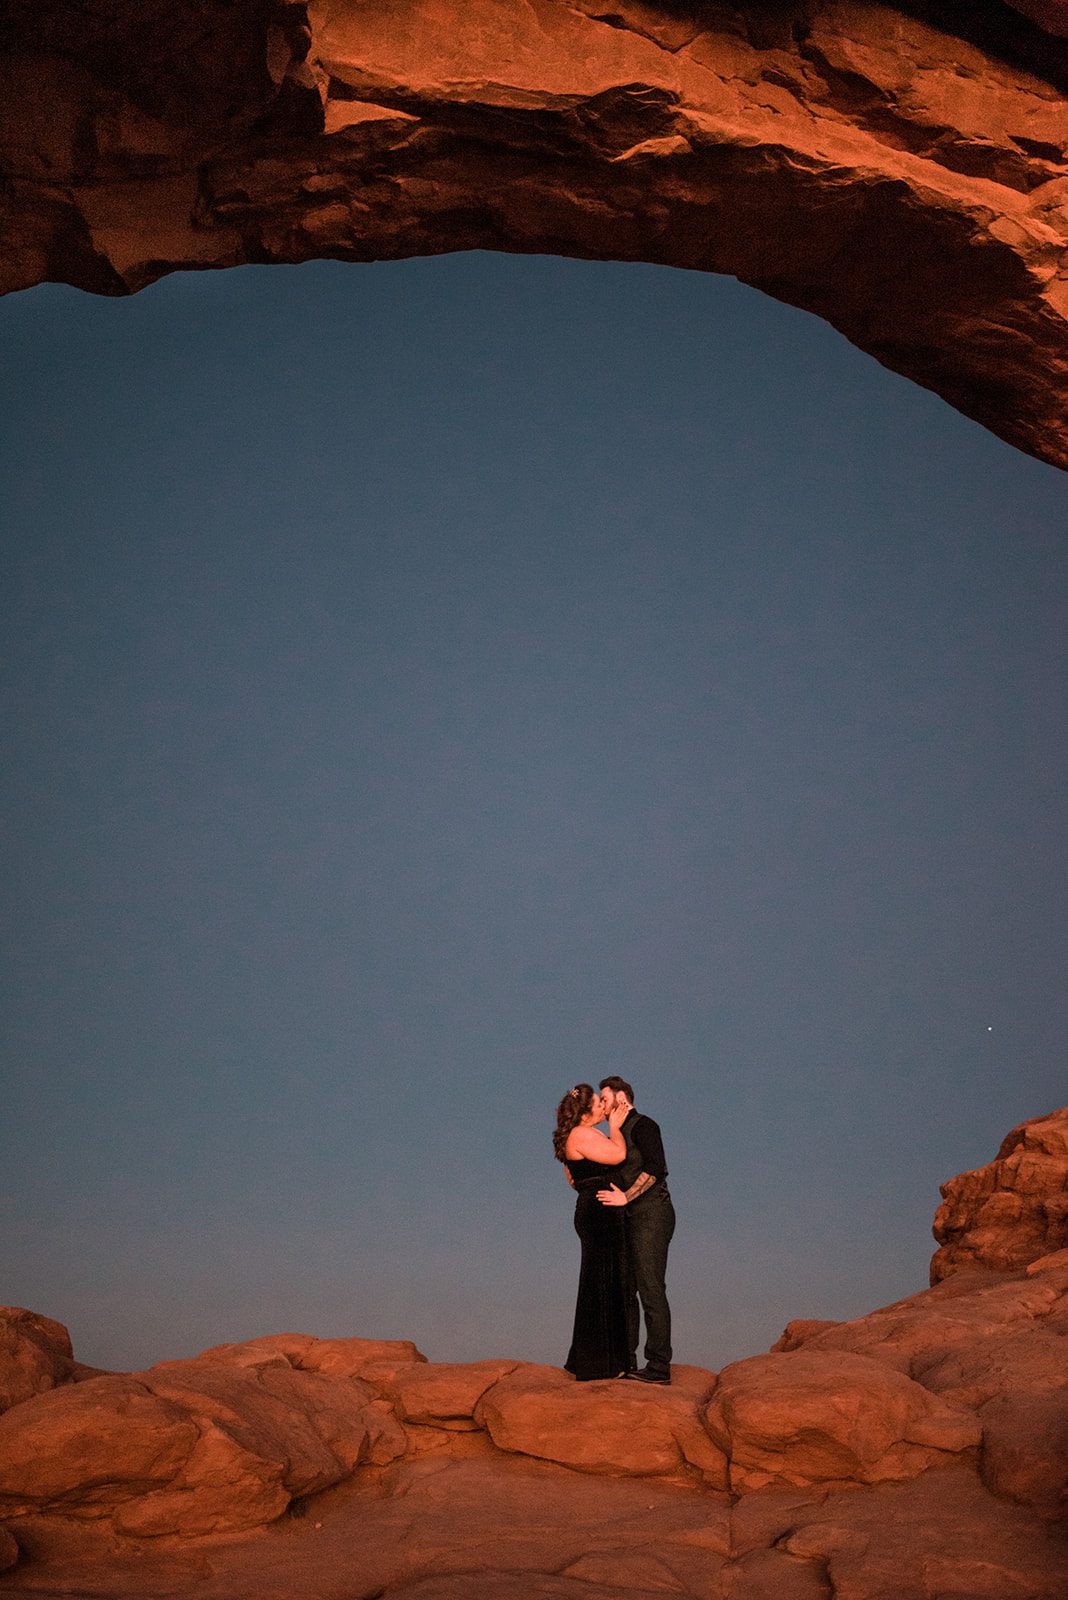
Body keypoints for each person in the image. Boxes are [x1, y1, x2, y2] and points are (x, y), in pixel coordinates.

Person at [596, 1076, 675, 1384]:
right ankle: (625, 1360)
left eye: (605, 1097)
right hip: (627, 1219)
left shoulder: (645, 1126)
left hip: (652, 1215)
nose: (602, 1104)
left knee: (650, 1288)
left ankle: (658, 1366)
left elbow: (655, 1168)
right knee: (625, 1290)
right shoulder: (614, 1135)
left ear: (622, 1097)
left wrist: (625, 1197)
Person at [553, 1083, 632, 1380]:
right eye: (599, 1102)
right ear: (585, 1112)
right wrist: (616, 1127)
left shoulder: (580, 1135)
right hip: (599, 1211)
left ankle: (596, 1360)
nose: (603, 1106)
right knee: (601, 1282)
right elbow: (617, 1155)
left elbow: (574, 1180)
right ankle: (599, 1363)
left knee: (602, 1281)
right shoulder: (582, 1134)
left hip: (596, 1208)